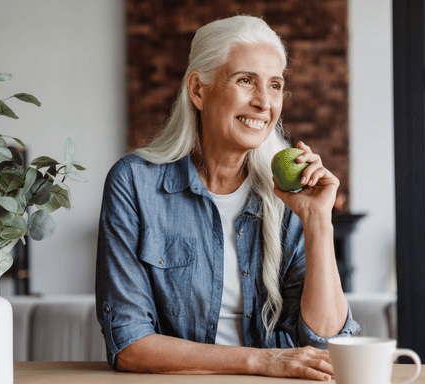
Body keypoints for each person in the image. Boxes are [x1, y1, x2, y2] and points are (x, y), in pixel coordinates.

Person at [95, 15, 359, 381]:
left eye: (275, 85)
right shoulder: (135, 184)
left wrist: (317, 220)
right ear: (198, 90)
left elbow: (329, 344)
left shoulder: (290, 194)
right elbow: (129, 344)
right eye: (245, 80)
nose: (264, 102)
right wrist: (262, 361)